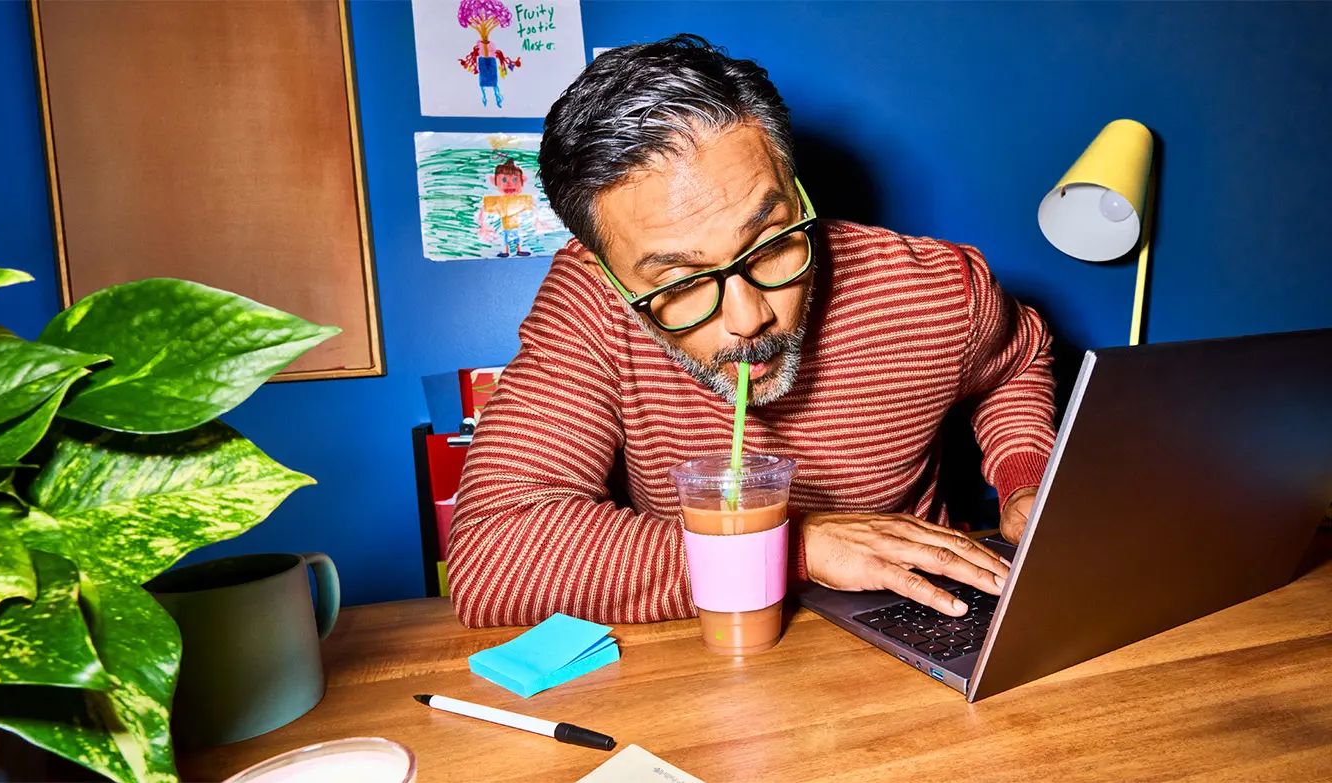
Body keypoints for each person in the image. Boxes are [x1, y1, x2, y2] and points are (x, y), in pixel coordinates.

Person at [448, 35, 1056, 629]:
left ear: (798, 192)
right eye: (679, 283)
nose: (748, 318)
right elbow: (492, 554)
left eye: (769, 243)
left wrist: (1025, 476)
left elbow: (1017, 361)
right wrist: (791, 547)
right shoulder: (590, 298)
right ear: (608, 269)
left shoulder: (936, 288)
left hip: (925, 619)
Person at [478, 159, 537, 257]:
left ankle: (518, 250)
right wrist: (483, 226)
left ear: (523, 180)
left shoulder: (523, 199)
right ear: (494, 181)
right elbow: (483, 209)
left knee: (517, 238)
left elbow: (533, 207)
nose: (509, 184)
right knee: (506, 239)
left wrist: (538, 221)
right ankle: (506, 252)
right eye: (504, 180)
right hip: (506, 227)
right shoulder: (496, 200)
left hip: (516, 226)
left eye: (514, 180)